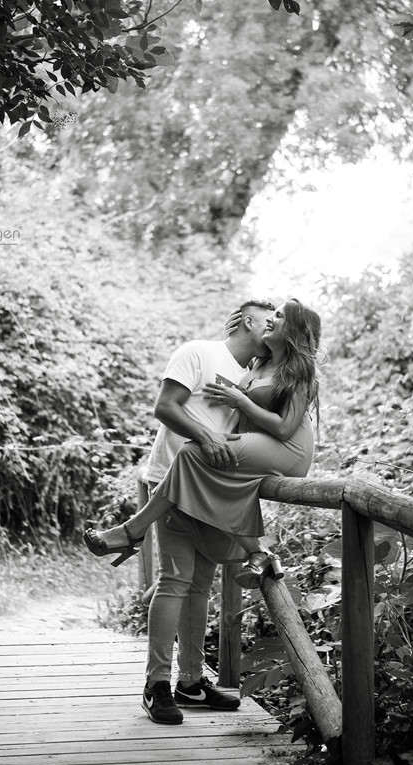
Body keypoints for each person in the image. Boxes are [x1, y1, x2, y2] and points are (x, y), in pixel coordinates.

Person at [85, 298, 321, 722]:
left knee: (200, 587)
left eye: (279, 319)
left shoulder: (260, 369)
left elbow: (277, 426)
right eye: (269, 318)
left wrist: (238, 404)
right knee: (175, 580)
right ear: (249, 321)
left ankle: (191, 681)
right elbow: (165, 407)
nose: (273, 324)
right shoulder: (200, 353)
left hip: (212, 484)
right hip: (176, 481)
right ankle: (157, 684)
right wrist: (210, 436)